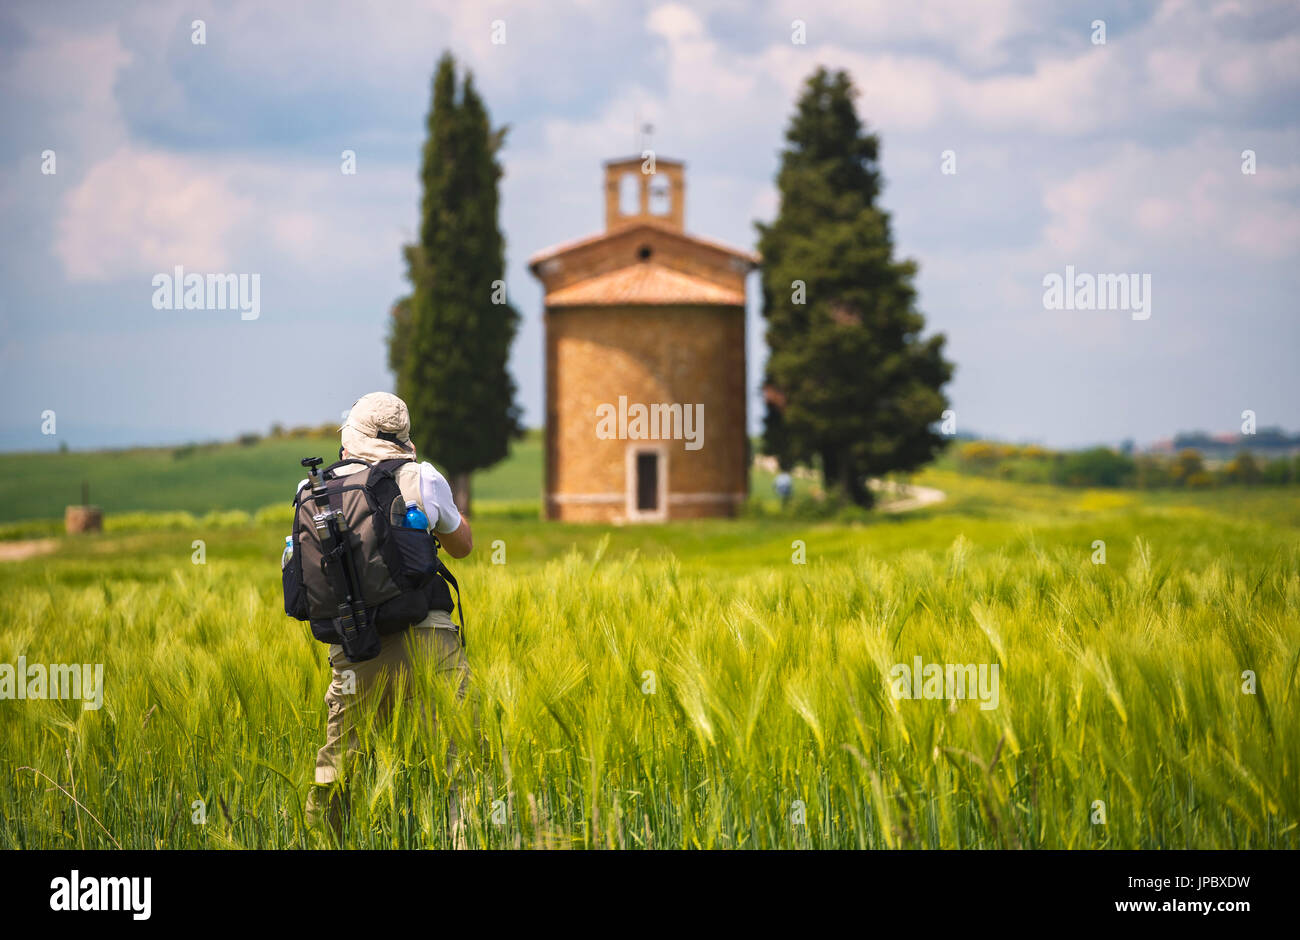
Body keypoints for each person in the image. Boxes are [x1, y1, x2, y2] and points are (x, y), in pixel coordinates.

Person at [300, 391, 473, 845]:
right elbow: (462, 546)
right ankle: (463, 838)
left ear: (351, 438)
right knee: (461, 758)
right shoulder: (422, 477)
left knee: (338, 768)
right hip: (429, 639)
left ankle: (324, 841)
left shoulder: (313, 491)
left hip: (357, 647)